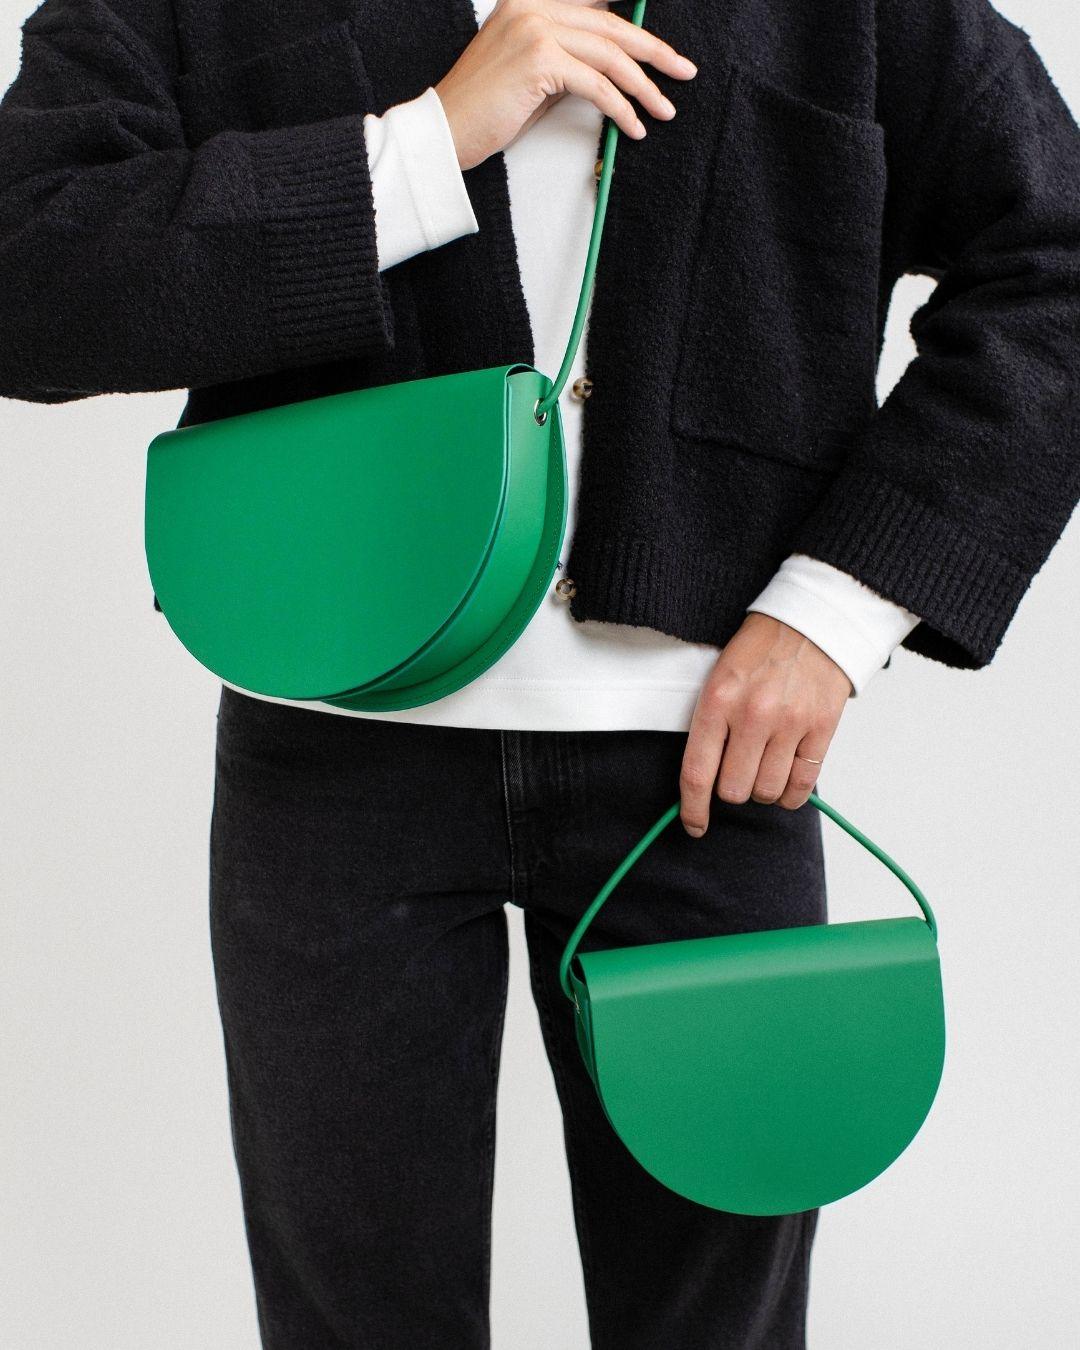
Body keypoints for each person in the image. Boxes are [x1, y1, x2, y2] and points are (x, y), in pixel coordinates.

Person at [2, 1, 1079, 1345]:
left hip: (710, 769)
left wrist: (837, 610)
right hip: (333, 754)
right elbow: (26, 271)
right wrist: (425, 144)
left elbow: (1054, 255)